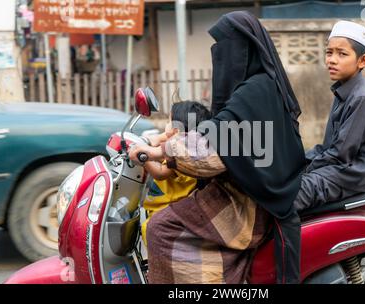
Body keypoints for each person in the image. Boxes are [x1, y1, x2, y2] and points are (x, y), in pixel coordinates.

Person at [129, 11, 306, 283]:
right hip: (246, 193)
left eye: (225, 47)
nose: (219, 55)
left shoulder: (255, 91)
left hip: (246, 205)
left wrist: (158, 152)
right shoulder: (259, 87)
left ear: (244, 48)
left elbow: (215, 145)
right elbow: (217, 131)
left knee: (160, 228)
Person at [294, 20, 365, 212]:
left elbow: (339, 155)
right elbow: (327, 147)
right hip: (338, 169)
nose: (332, 60)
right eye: (329, 53)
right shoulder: (343, 92)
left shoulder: (362, 97)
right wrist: (295, 162)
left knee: (286, 195)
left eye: (342, 54)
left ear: (362, 61)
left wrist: (301, 172)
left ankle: (289, 243)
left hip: (350, 176)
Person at [141, 101, 211, 245]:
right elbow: (161, 140)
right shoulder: (190, 149)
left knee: (148, 229)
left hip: (166, 207)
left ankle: (157, 265)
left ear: (177, 131)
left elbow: (160, 173)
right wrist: (154, 139)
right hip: (166, 205)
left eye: (169, 121)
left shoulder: (179, 154)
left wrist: (143, 158)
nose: (167, 125)